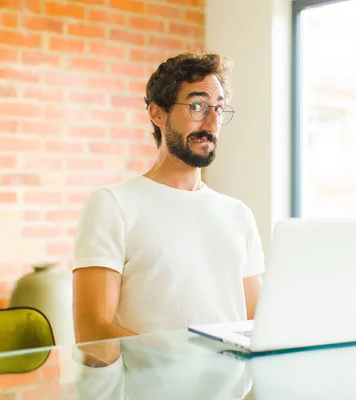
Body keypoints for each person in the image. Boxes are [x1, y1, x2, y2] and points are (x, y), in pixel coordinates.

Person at [72, 52, 265, 344]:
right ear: (157, 113)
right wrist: (179, 363)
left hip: (231, 389)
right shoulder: (112, 205)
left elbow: (258, 323)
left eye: (219, 109)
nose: (212, 123)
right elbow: (92, 329)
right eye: (198, 106)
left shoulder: (238, 214)